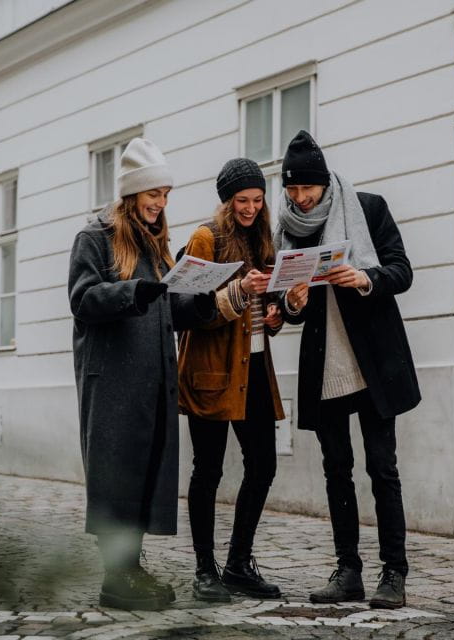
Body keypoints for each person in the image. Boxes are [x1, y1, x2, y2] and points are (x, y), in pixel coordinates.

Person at [68, 138, 216, 611]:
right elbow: (84, 299)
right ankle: (117, 578)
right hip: (112, 383)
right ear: (132, 194)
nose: (161, 203)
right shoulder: (95, 237)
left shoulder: (156, 244)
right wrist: (134, 290)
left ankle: (130, 568)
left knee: (144, 472)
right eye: (154, 193)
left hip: (152, 382)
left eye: (166, 194)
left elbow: (169, 305)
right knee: (117, 474)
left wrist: (208, 296)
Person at [276, 130, 421, 609]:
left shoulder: (369, 208)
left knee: (383, 468)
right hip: (326, 368)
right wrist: (293, 302)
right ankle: (349, 571)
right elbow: (288, 307)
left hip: (374, 363)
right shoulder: (292, 230)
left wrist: (364, 278)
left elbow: (401, 269)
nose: (300, 198)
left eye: (307, 190)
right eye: (292, 191)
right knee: (337, 470)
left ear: (324, 183)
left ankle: (394, 573)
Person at [178, 158, 290, 602]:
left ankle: (239, 564)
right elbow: (186, 311)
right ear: (227, 201)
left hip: (256, 370)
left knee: (263, 465)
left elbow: (267, 312)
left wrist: (283, 310)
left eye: (257, 200)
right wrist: (240, 292)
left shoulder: (264, 237)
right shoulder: (206, 238)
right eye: (242, 200)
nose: (249, 208)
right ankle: (205, 570)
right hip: (212, 372)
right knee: (208, 470)